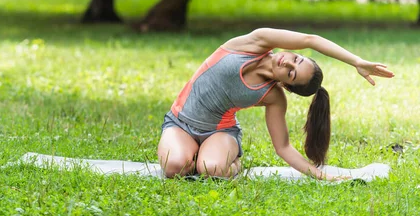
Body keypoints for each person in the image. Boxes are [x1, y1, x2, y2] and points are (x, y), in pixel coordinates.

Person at [157, 28, 395, 180]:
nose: (288, 63)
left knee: (211, 170)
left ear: (286, 86)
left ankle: (233, 163)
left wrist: (322, 176)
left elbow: (282, 147)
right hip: (180, 123)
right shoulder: (256, 42)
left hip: (219, 133)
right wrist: (356, 61)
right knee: (174, 167)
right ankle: (193, 153)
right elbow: (310, 39)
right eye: (296, 59)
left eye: (291, 74)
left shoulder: (272, 97)